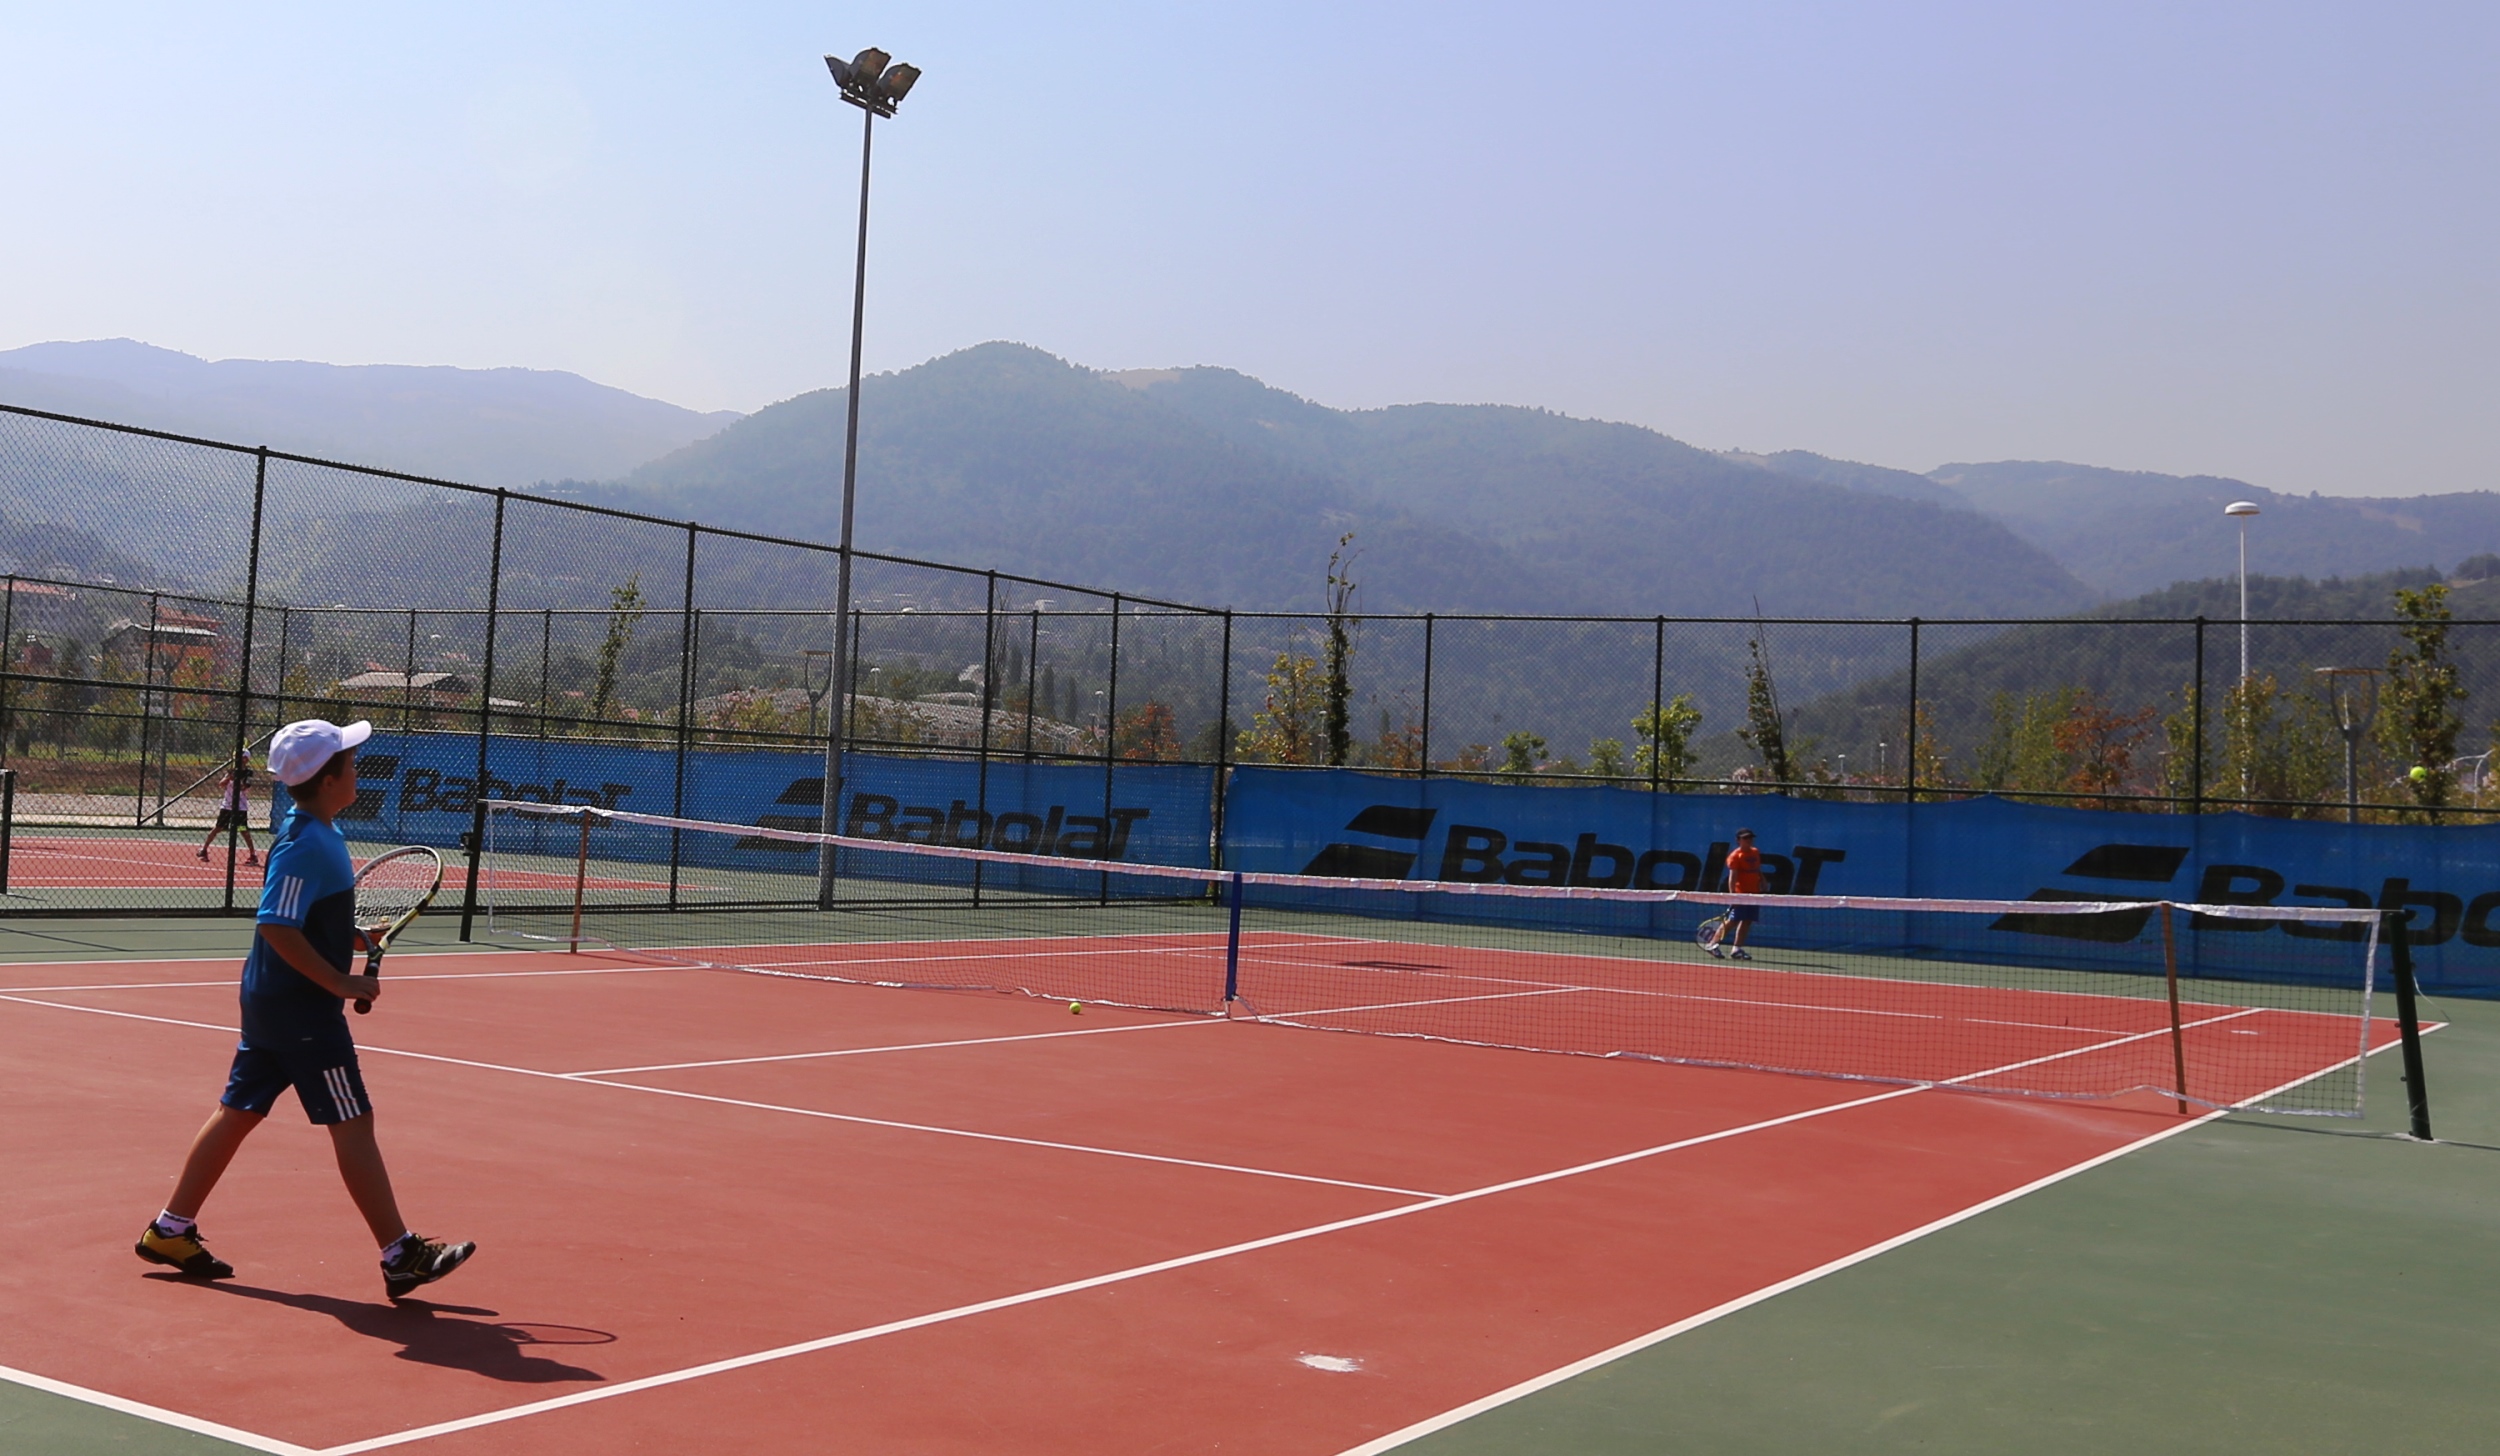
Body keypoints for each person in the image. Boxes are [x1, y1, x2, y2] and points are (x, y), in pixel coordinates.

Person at [137, 718, 475, 1301]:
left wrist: (351, 941)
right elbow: (276, 925)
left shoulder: (313, 831)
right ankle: (400, 1255)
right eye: (350, 761)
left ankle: (170, 1230)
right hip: (301, 1013)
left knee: (238, 1111)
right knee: (353, 1120)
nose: (357, 769)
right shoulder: (306, 844)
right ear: (328, 779)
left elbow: (306, 922)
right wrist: (340, 982)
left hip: (274, 1004)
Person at [196, 754, 261, 867]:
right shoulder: (232, 771)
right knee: (218, 827)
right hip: (227, 806)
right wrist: (228, 778)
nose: (239, 759)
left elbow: (244, 787)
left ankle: (253, 855)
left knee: (242, 830)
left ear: (246, 759)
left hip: (240, 807)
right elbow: (221, 784)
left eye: (242, 757)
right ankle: (204, 849)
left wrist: (237, 779)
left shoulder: (248, 773)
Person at [1710, 828, 1765, 961]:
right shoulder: (1735, 856)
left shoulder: (1755, 852)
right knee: (1733, 921)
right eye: (1745, 838)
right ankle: (1713, 944)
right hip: (1740, 894)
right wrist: (1733, 896)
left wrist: (1763, 880)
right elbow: (1732, 878)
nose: (1749, 840)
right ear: (1738, 840)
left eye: (1750, 838)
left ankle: (1736, 949)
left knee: (1747, 921)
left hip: (1754, 894)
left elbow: (1757, 869)